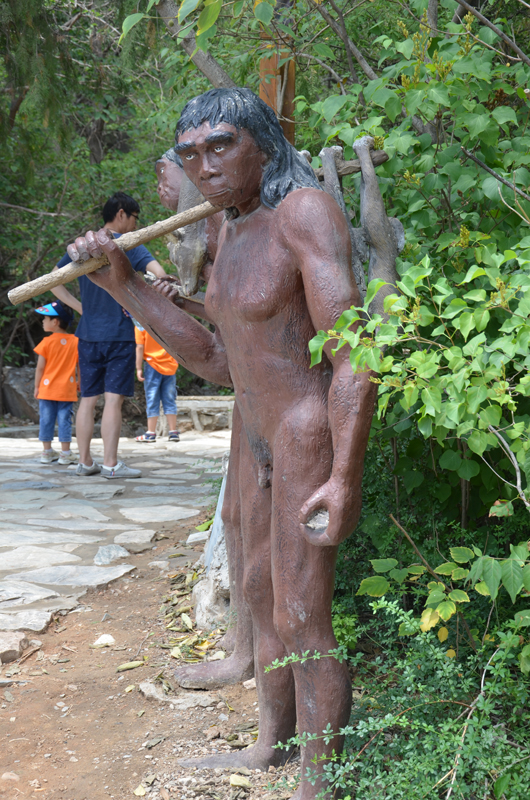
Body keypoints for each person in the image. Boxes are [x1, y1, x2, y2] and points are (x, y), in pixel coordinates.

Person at [66, 89, 377, 799]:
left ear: (263, 144)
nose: (203, 166)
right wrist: (123, 286)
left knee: (302, 612)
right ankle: (271, 745)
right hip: (255, 427)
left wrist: (345, 474)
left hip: (303, 429)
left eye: (220, 146)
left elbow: (353, 355)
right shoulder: (227, 230)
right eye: (191, 154)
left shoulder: (304, 213)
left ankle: (320, 784)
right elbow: (215, 359)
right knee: (259, 591)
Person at [152, 148, 255, 688]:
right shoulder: (206, 230)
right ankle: (244, 643)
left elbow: (226, 332)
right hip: (250, 391)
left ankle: (255, 652)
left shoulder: (233, 223)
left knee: (254, 522)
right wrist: (179, 299)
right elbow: (221, 313)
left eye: (166, 176)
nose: (163, 191)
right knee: (234, 517)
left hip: (273, 394)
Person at [51, 191, 168, 479]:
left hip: (88, 335)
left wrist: (80, 307)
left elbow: (53, 280)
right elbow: (160, 274)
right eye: (135, 217)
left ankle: (84, 462)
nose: (136, 224)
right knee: (113, 400)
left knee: (88, 399)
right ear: (121, 213)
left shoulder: (83, 245)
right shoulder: (127, 245)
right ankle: (111, 465)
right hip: (119, 335)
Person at [33, 300, 79, 466]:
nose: (43, 321)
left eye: (45, 318)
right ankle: (65, 453)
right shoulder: (75, 341)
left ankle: (47, 451)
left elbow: (40, 368)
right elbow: (80, 365)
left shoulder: (46, 342)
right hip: (67, 389)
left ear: (55, 322)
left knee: (46, 419)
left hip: (47, 389)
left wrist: (37, 386)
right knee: (65, 420)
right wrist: (80, 381)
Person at [135, 324, 180, 442]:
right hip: (169, 365)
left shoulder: (140, 325)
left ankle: (151, 432)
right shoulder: (165, 322)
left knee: (152, 398)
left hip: (152, 365)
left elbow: (139, 347)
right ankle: (173, 432)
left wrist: (138, 368)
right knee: (169, 399)